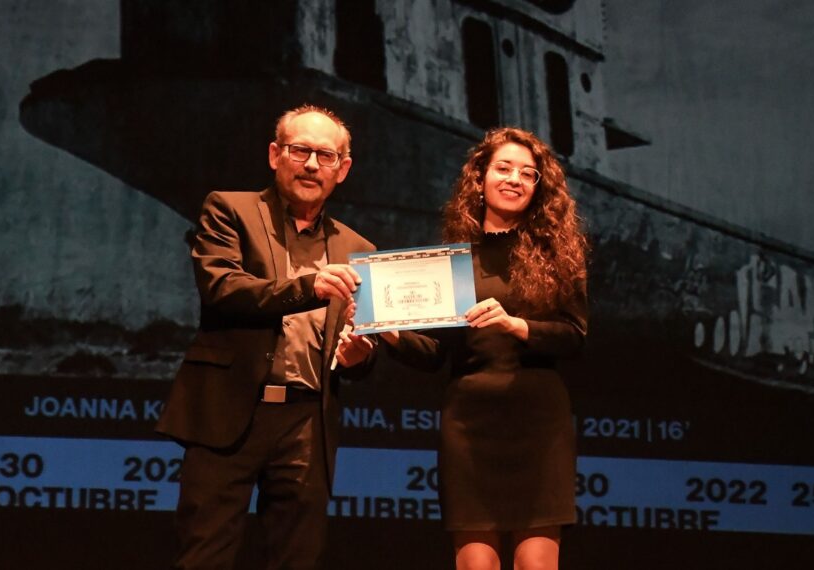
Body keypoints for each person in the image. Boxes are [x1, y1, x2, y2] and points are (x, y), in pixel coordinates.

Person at [156, 104, 377, 570]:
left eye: (326, 155)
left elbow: (358, 340)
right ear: (275, 155)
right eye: (300, 151)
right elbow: (222, 287)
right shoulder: (229, 209)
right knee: (204, 555)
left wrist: (359, 357)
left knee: (297, 557)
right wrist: (308, 286)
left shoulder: (360, 250)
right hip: (229, 411)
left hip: (306, 420)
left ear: (344, 168)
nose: (312, 164)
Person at [381, 127, 588, 570]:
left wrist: (517, 325)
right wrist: (387, 333)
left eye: (528, 174)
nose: (515, 179)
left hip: (538, 422)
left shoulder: (558, 256)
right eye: (504, 168)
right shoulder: (452, 260)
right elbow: (437, 353)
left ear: (538, 188)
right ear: (481, 177)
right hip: (469, 425)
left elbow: (575, 335)